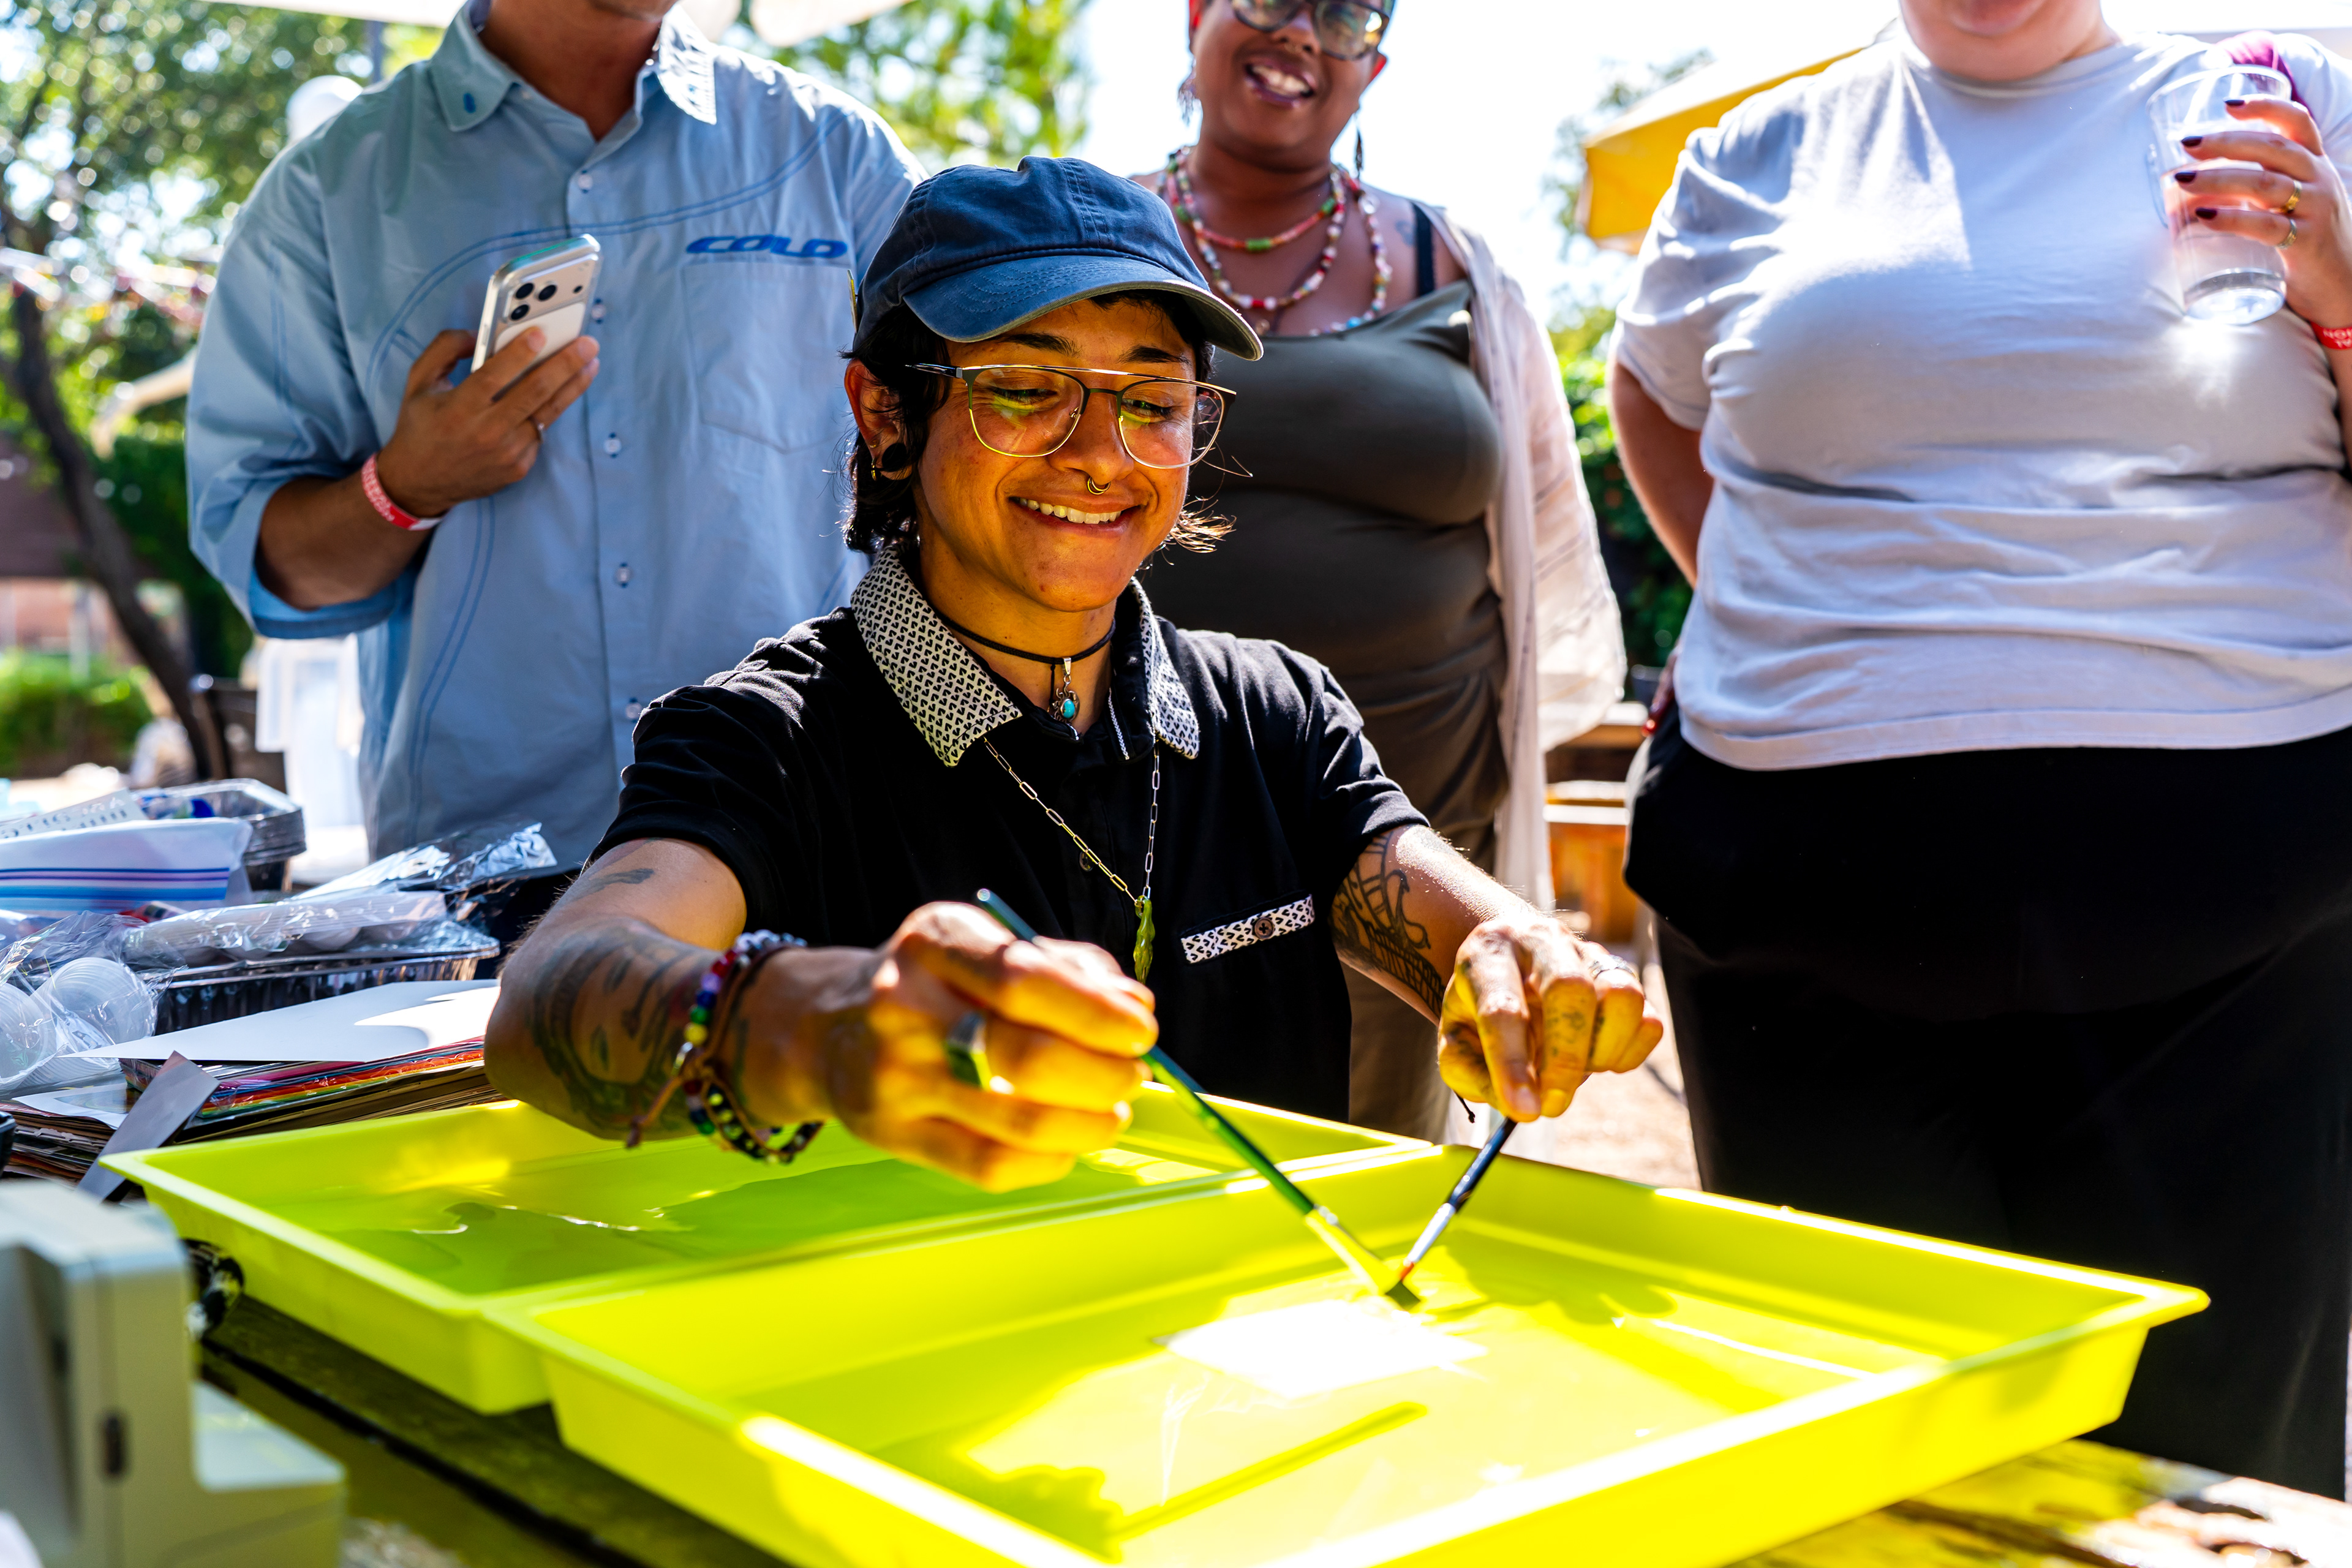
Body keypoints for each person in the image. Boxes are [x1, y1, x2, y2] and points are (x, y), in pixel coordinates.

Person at [484, 158, 1665, 1191]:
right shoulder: (766, 736)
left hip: (1257, 1367)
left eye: (1150, 400)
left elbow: (1443, 909)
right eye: (1022, 388)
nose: (1099, 454)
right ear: (885, 412)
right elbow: (551, 1006)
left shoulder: (1277, 713)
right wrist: (815, 1026)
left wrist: (1521, 955)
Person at [1610, 0, 2352, 1492]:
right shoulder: (1754, 152)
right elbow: (1654, 396)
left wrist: (2336, 278)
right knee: (1853, 1463)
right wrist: (1806, 622)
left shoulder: (2290, 93)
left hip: (2238, 925)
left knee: (2202, 1481)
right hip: (1792, 907)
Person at [186, 0, 922, 870]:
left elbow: (966, 478)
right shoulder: (328, 190)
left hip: (813, 831)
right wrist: (406, 487)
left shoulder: (838, 156)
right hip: (490, 881)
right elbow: (275, 566)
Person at [1133, 0, 1625, 1142]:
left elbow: (1540, 525)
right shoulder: (1099, 237)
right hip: (1118, 818)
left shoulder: (1450, 262)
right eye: (1267, 0)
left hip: (1413, 845)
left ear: (1375, 66)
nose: (1303, 32)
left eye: (1346, 14)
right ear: (1198, 18)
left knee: (1361, 1191)